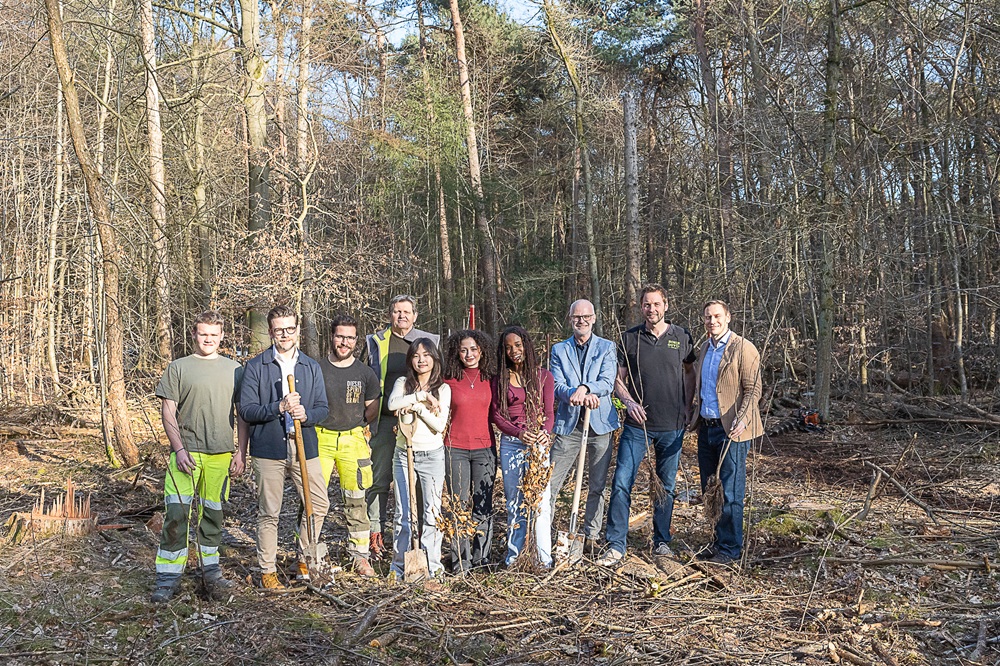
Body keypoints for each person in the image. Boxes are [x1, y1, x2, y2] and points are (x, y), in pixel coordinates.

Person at [151, 311, 248, 603]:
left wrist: (241, 451)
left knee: (213, 515)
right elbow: (168, 412)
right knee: (176, 514)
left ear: (222, 336)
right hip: (186, 456)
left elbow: (242, 414)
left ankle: (210, 570)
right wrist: (179, 449)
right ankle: (168, 577)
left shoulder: (235, 369)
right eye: (203, 333)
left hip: (220, 455)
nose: (208, 339)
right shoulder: (178, 368)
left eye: (214, 334)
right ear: (194, 334)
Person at [599, 284, 696, 566]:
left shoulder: (682, 336)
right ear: (640, 307)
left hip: (672, 426)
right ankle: (616, 544)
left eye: (656, 304)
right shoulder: (629, 338)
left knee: (666, 486)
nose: (651, 309)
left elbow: (690, 373)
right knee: (621, 482)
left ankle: (661, 541)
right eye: (646, 304)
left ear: (666, 305)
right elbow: (617, 380)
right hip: (636, 426)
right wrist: (629, 403)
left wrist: (688, 407)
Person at [239, 304, 330, 590]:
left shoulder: (311, 366)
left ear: (298, 330)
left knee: (319, 503)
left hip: (305, 446)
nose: (285, 335)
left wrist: (306, 415)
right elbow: (247, 410)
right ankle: (267, 570)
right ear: (270, 332)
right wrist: (278, 407)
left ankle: (305, 559)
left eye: (290, 329)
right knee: (270, 511)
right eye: (279, 330)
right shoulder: (256, 366)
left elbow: (323, 408)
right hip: (269, 449)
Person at [363, 295, 440, 557]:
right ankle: (375, 534)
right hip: (385, 420)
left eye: (407, 312)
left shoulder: (429, 342)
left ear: (415, 315)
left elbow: (439, 378)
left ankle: (418, 537)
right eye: (397, 311)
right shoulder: (376, 341)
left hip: (420, 421)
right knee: (380, 478)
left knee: (416, 482)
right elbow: (366, 378)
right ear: (390, 314)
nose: (402, 316)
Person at [688, 300, 763, 564]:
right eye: (708, 317)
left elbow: (753, 389)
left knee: (730, 491)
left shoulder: (743, 347)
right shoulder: (705, 349)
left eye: (717, 316)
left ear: (728, 317)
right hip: (706, 428)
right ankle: (718, 542)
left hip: (732, 430)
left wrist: (742, 418)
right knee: (711, 490)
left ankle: (731, 550)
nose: (712, 321)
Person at [548, 299, 620, 556]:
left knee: (597, 484)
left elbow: (607, 381)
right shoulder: (559, 350)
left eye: (586, 316)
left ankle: (590, 536)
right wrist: (573, 394)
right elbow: (556, 384)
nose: (582, 321)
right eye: (577, 317)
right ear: (570, 319)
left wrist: (586, 388)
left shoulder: (607, 347)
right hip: (569, 425)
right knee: (550, 483)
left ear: (594, 318)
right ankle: (543, 535)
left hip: (599, 425)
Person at [316, 314, 381, 577]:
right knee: (313, 499)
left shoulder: (365, 373)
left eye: (350, 338)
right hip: (319, 438)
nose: (344, 342)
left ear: (356, 340)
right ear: (331, 336)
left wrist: (360, 427)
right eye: (340, 336)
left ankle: (360, 556)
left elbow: (373, 406)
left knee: (356, 499)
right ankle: (308, 552)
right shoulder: (316, 368)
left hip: (353, 440)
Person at [491, 326, 555, 568]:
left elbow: (549, 412)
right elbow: (497, 416)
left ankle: (543, 559)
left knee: (540, 502)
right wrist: (518, 432)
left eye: (517, 345)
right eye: (508, 347)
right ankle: (514, 557)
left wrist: (544, 433)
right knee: (515, 502)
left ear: (526, 345)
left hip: (538, 446)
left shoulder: (544, 376)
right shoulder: (500, 379)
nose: (513, 351)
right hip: (512, 444)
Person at [387, 339, 451, 579]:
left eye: (426, 355)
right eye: (416, 355)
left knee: (432, 513)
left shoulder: (443, 389)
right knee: (403, 513)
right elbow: (393, 404)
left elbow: (439, 425)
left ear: (434, 358)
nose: (421, 360)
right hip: (404, 454)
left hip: (432, 456)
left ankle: (432, 567)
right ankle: (399, 567)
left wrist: (418, 407)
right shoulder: (402, 383)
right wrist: (422, 396)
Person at [442, 329, 497, 572]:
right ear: (457, 353)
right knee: (459, 505)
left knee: (483, 504)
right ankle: (460, 561)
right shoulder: (448, 379)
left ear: (482, 351)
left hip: (485, 448)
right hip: (455, 449)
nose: (469, 354)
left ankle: (481, 557)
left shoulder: (491, 378)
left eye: (473, 349)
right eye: (463, 350)